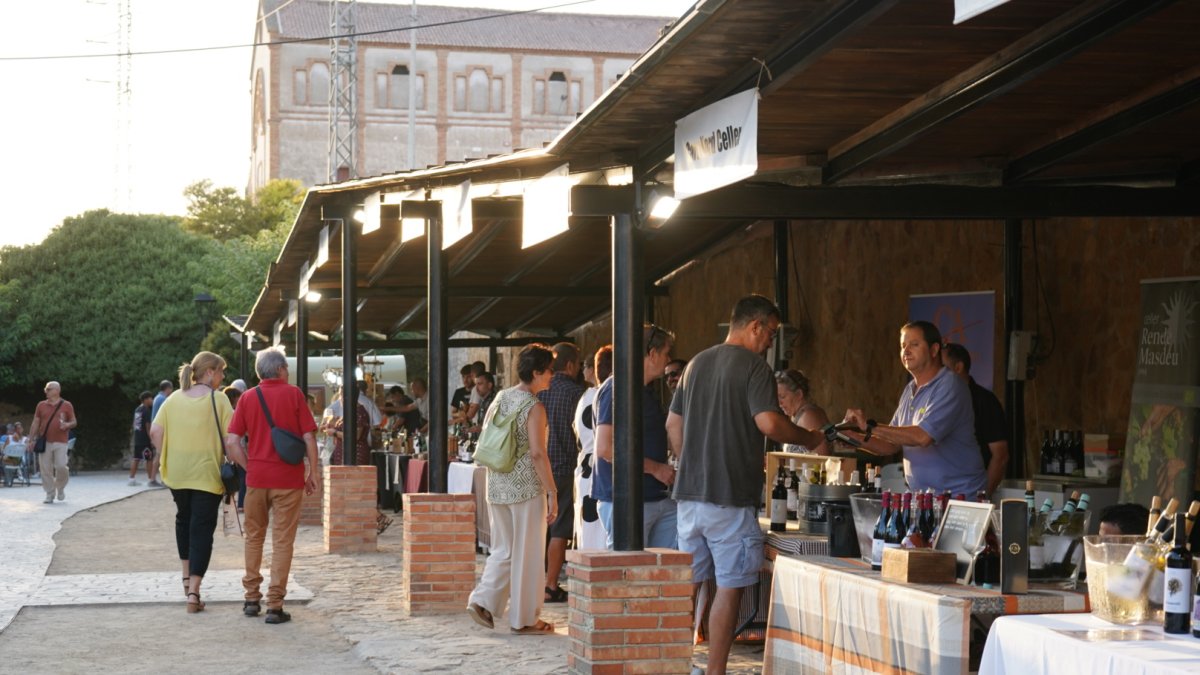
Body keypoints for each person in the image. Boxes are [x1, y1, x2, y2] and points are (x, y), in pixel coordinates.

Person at [667, 295, 827, 675]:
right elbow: (769, 423)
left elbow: (673, 425)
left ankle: (672, 665)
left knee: (689, 585)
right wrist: (807, 438)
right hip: (729, 496)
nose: (772, 342)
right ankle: (716, 671)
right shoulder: (754, 367)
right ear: (755, 325)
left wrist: (693, 460)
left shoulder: (695, 363)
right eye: (771, 333)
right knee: (729, 586)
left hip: (689, 495)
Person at [466, 343, 558, 636]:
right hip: (527, 487)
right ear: (536, 372)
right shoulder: (534, 406)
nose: (551, 376)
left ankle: (482, 600)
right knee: (529, 554)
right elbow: (537, 453)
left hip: (497, 482)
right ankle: (525, 618)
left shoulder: (501, 397)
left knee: (504, 549)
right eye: (548, 371)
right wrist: (552, 491)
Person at [224, 346, 318, 625]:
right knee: (282, 541)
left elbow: (232, 442)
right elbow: (309, 438)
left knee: (254, 537)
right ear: (279, 369)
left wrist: (250, 466)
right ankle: (275, 605)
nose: (288, 371)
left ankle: (251, 599)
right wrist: (313, 471)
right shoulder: (294, 394)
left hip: (257, 480)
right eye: (286, 367)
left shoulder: (248, 398)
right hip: (288, 480)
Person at [843, 321, 987, 496]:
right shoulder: (910, 389)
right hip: (925, 499)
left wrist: (869, 426)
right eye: (903, 346)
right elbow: (891, 445)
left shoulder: (950, 385)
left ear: (934, 350)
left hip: (960, 498)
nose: (906, 351)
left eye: (914, 344)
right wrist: (853, 438)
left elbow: (923, 437)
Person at [150, 351, 232, 614]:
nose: (222, 377)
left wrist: (168, 455)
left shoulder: (173, 399)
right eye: (220, 371)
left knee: (184, 521)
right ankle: (194, 592)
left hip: (177, 472)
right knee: (201, 529)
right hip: (206, 473)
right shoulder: (218, 400)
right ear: (209, 372)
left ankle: (186, 579)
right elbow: (232, 439)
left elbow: (155, 431)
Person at [594, 326, 679, 550]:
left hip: (656, 498)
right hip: (628, 500)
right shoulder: (617, 389)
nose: (668, 359)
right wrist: (655, 468)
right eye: (666, 353)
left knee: (664, 571)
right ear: (652, 354)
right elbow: (604, 448)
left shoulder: (645, 390)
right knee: (628, 573)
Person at [537, 342, 585, 603]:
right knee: (559, 530)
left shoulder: (538, 391)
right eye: (578, 364)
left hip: (538, 468)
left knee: (539, 527)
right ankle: (550, 584)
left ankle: (534, 581)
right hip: (565, 468)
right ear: (569, 365)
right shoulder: (577, 394)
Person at [940, 342, 1009, 495]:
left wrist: (982, 496)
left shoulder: (984, 401)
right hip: (938, 495)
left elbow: (1000, 455)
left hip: (970, 492)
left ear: (958, 367)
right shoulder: (935, 400)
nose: (936, 373)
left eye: (942, 367)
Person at [331, 392, 393, 534]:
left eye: (341, 396)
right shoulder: (348, 412)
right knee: (349, 490)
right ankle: (357, 521)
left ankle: (379, 518)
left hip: (356, 454)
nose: (340, 400)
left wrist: (334, 432)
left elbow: (355, 436)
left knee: (356, 489)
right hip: (346, 454)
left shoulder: (359, 411)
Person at [573, 347, 611, 551]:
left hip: (585, 472)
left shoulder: (586, 397)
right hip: (597, 473)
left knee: (588, 539)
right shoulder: (604, 397)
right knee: (599, 542)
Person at [29, 381, 78, 504]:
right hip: (45, 441)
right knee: (45, 469)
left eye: (49, 389)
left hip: (61, 441)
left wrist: (67, 424)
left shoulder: (67, 405)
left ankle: (60, 488)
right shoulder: (41, 405)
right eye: (46, 389)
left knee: (61, 466)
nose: (46, 391)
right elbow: (35, 422)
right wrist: (31, 439)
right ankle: (49, 494)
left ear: (57, 390)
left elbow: (74, 422)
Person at [775, 369, 830, 455]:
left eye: (782, 397)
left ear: (799, 394)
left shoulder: (808, 417)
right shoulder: (798, 414)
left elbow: (821, 458)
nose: (779, 403)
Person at [129, 391, 158, 486]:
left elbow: (135, 424)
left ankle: (131, 479)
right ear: (146, 399)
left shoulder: (137, 409)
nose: (152, 400)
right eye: (150, 398)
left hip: (137, 439)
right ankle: (150, 480)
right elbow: (147, 427)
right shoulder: (146, 410)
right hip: (145, 440)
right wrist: (151, 439)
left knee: (136, 458)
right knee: (149, 459)